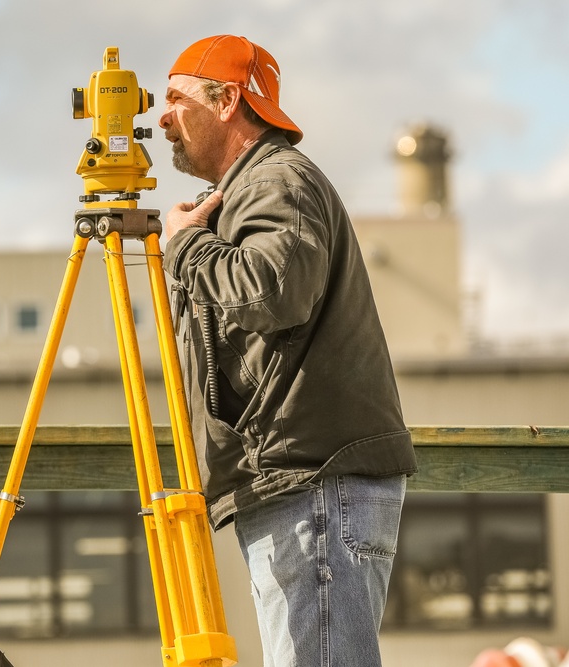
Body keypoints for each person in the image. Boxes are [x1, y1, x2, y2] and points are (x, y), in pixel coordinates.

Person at [159, 35, 418, 667]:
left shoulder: (276, 180)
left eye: (174, 97)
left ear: (226, 102)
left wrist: (185, 249)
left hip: (313, 484)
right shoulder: (249, 191)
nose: (160, 116)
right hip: (300, 481)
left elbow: (275, 290)